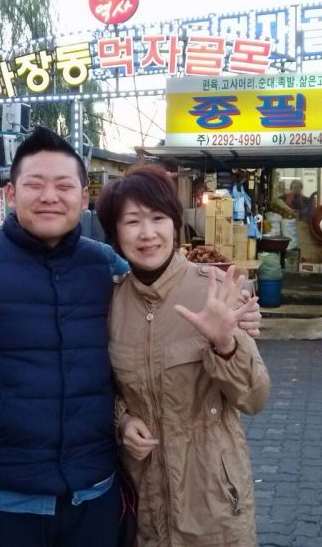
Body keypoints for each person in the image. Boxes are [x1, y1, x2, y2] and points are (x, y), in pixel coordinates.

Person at [0, 128, 261, 547]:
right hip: (4, 496)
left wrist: (240, 311)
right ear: (11, 194)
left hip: (93, 492)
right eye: (35, 184)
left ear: (83, 199)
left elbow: (160, 289)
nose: (50, 196)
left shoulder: (103, 264)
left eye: (64, 186)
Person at [97, 164, 270, 546]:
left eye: (158, 218)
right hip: (143, 500)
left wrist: (226, 344)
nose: (147, 233)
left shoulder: (214, 292)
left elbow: (255, 398)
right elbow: (103, 387)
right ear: (115, 234)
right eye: (132, 221)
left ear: (175, 225)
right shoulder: (110, 303)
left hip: (212, 497)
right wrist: (123, 422)